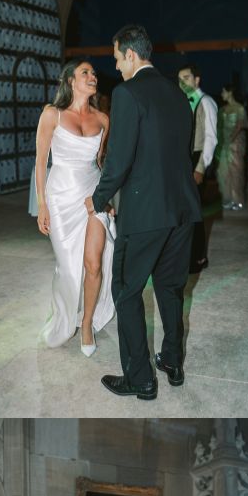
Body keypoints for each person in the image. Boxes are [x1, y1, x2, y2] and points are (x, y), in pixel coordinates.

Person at [88, 24, 201, 399]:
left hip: (146, 212)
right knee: (171, 288)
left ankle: (141, 378)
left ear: (132, 55)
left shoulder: (127, 93)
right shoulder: (178, 94)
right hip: (183, 209)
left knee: (125, 289)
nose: (116, 67)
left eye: (118, 58)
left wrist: (99, 197)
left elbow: (119, 160)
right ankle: (172, 361)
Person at [33, 58, 113, 356]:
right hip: (60, 197)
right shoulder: (51, 115)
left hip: (92, 196)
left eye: (93, 73)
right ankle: (64, 316)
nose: (93, 76)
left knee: (93, 263)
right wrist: (42, 205)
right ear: (71, 81)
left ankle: (88, 322)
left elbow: (101, 163)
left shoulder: (104, 119)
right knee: (69, 268)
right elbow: (41, 163)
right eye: (85, 72)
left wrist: (106, 199)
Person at [179, 63, 218, 271]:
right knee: (185, 213)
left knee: (195, 212)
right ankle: (187, 256)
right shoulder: (184, 102)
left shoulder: (207, 102)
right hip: (184, 160)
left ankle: (198, 258)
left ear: (196, 80)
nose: (182, 82)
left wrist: (201, 168)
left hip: (197, 159)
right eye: (180, 79)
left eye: (186, 78)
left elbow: (211, 138)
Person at [216, 82, 248, 209]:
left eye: (223, 91)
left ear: (229, 92)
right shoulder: (223, 109)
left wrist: (232, 137)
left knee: (236, 172)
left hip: (235, 145)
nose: (222, 94)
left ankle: (237, 200)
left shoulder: (239, 108)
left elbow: (244, 124)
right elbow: (219, 127)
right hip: (225, 144)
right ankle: (228, 198)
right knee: (223, 172)